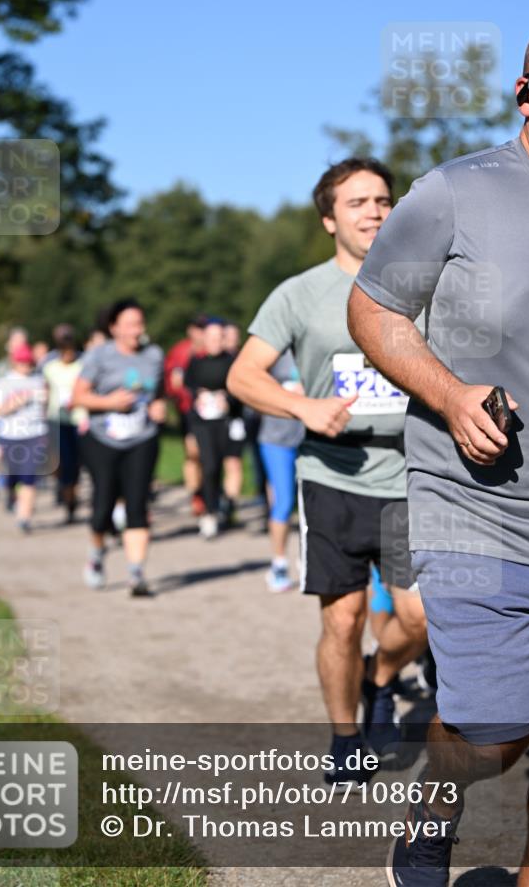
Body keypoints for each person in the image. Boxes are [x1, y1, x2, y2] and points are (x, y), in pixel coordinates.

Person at [348, 21, 529, 887]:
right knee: (495, 735)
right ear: (525, 95)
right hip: (481, 513)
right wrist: (447, 395)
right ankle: (431, 808)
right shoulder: (456, 192)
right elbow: (375, 309)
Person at [228, 158, 428, 788]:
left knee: (420, 616)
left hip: (412, 475)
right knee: (340, 618)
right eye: (357, 202)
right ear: (328, 219)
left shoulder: (424, 285)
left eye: (383, 201)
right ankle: (345, 737)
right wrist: (303, 406)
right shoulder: (299, 294)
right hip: (335, 475)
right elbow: (243, 375)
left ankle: (381, 677)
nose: (374, 211)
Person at [72, 298, 166, 596]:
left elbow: (158, 392)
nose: (136, 330)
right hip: (103, 439)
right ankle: (97, 555)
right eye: (129, 324)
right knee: (103, 507)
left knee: (138, 504)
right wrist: (109, 402)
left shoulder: (153, 355)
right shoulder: (99, 356)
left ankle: (136, 574)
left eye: (139, 323)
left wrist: (160, 407)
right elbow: (77, 398)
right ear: (114, 328)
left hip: (142, 437)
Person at [185, 318, 244, 539]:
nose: (216, 342)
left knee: (226, 464)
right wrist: (198, 395)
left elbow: (241, 389)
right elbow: (187, 386)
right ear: (204, 339)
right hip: (203, 423)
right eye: (211, 338)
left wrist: (227, 398)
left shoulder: (233, 361)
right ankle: (210, 512)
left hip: (227, 422)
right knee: (208, 465)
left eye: (220, 338)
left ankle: (226, 504)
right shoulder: (196, 362)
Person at [257, 350, 304, 592]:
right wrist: (284, 395)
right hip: (277, 439)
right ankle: (279, 564)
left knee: (315, 502)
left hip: (313, 437)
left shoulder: (317, 342)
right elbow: (253, 385)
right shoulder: (274, 350)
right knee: (284, 502)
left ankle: (308, 558)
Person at [0, 343, 49, 532]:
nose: (26, 365)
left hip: (35, 433)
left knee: (29, 475)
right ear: (14, 362)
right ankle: (10, 493)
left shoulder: (39, 380)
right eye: (22, 362)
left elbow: (46, 408)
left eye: (28, 362)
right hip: (10, 434)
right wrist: (14, 403)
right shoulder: (2, 382)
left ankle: (24, 518)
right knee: (14, 474)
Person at [164, 315, 208, 516]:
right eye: (197, 328)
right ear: (190, 330)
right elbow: (174, 383)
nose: (201, 332)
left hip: (212, 412)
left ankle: (211, 492)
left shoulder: (213, 348)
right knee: (193, 453)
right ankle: (196, 494)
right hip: (189, 409)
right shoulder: (181, 351)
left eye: (204, 328)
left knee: (210, 456)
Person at [42, 325, 84, 524]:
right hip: (56, 419)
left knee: (75, 464)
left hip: (77, 419)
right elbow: (45, 391)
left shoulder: (82, 366)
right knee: (59, 462)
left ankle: (71, 497)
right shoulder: (50, 368)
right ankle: (64, 488)